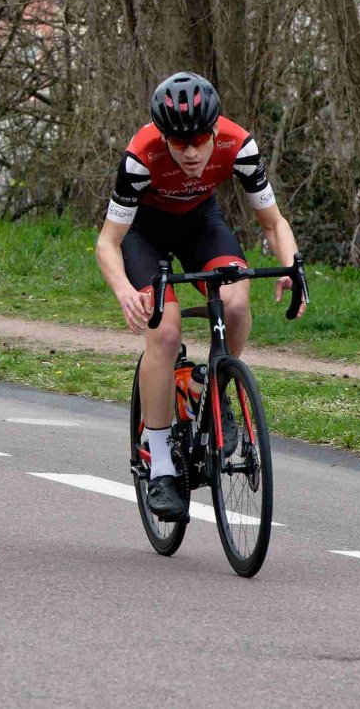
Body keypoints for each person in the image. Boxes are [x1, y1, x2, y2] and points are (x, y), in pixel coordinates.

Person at [94, 71, 306, 520]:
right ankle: (163, 467)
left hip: (201, 224)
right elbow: (108, 242)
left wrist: (291, 265)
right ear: (163, 136)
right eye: (178, 142)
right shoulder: (140, 156)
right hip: (144, 234)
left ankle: (216, 387)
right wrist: (125, 291)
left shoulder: (238, 145)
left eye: (199, 141)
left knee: (236, 304)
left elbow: (273, 222)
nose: (190, 153)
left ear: (214, 131)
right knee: (166, 335)